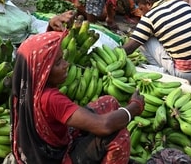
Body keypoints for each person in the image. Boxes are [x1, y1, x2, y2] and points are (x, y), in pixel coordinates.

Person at [11, 13, 145, 163]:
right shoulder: (51, 99)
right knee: (117, 134)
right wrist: (133, 108)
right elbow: (104, 126)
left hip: (41, 149)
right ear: (43, 71)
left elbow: (38, 55)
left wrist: (51, 28)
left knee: (108, 102)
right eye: (58, 63)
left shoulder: (25, 86)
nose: (66, 64)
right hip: (56, 158)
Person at [123, 0, 191, 82]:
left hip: (185, 75)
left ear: (148, 3)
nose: (141, 13)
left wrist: (112, 51)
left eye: (141, 9)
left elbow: (130, 48)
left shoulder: (149, 17)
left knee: (143, 40)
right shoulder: (181, 3)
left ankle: (162, 72)